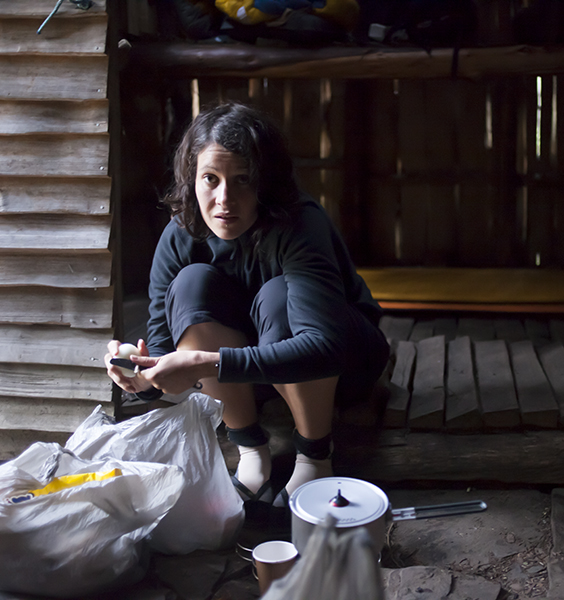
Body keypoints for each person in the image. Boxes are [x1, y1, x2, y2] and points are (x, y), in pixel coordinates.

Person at [105, 102, 390, 512]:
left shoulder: (298, 224)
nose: (224, 199)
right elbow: (166, 354)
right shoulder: (181, 232)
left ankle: (314, 456)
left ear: (266, 183)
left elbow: (324, 347)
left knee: (278, 296)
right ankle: (251, 451)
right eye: (211, 179)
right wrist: (141, 375)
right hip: (252, 377)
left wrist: (207, 363)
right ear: (193, 179)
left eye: (243, 180)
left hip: (342, 364)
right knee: (191, 283)